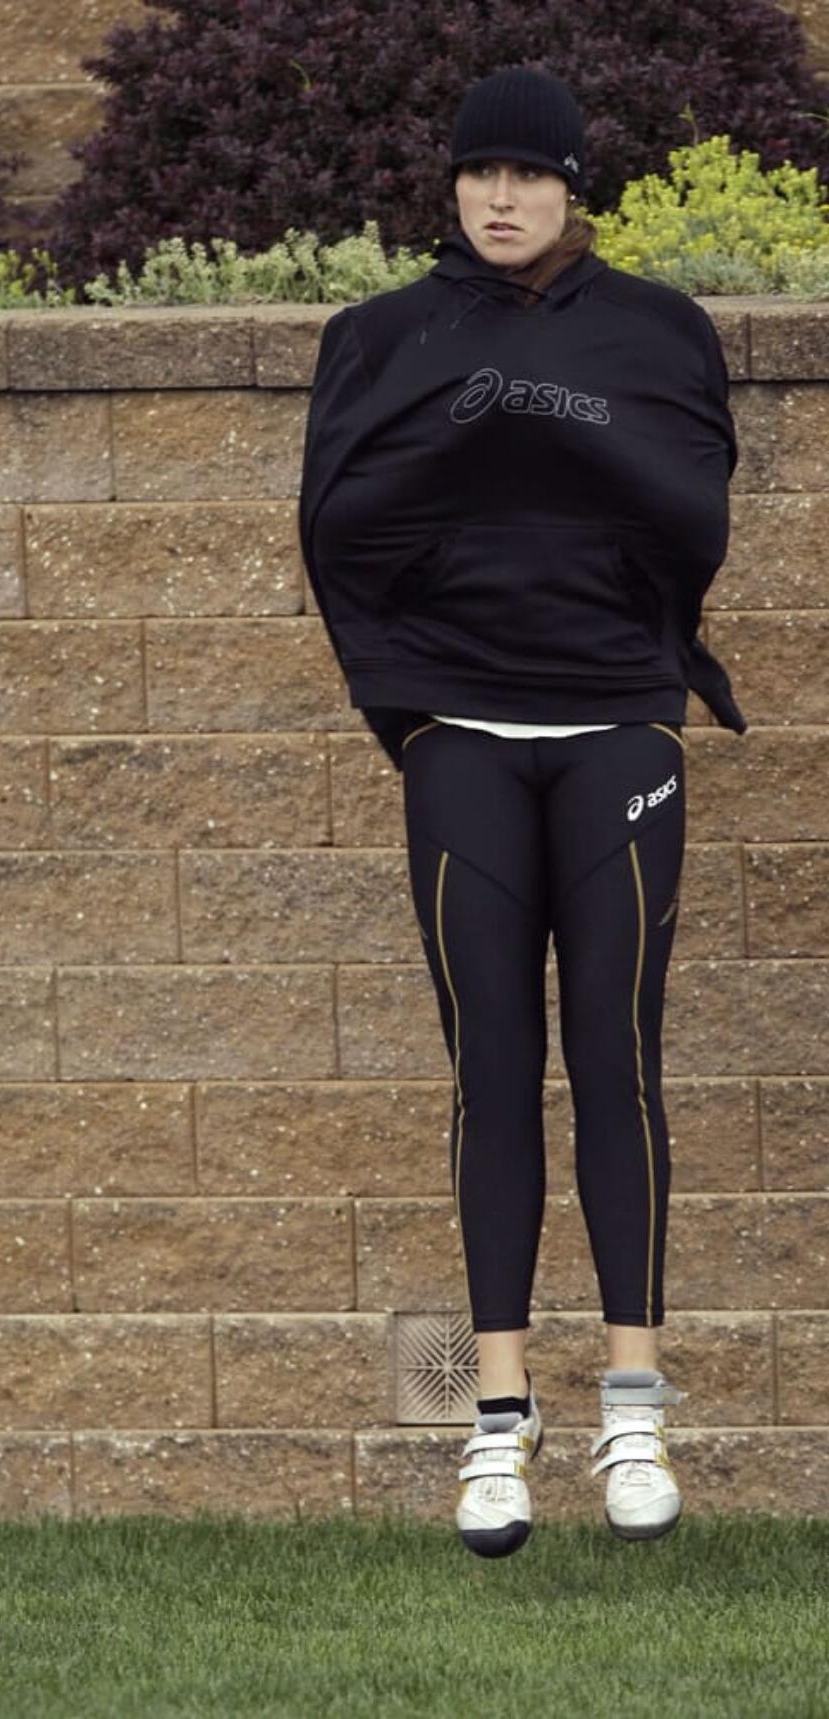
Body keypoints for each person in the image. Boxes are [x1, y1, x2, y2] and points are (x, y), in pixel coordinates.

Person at [298, 65, 746, 1560]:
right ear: (450, 186)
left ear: (572, 185)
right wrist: (409, 703)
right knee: (492, 1066)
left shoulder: (656, 332)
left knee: (614, 1058)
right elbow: (341, 527)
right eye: (476, 174)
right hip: (462, 731)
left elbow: (691, 520)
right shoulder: (380, 337)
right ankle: (497, 1431)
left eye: (528, 175)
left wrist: (543, 410)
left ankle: (632, 1410)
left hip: (615, 716)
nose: (500, 199)